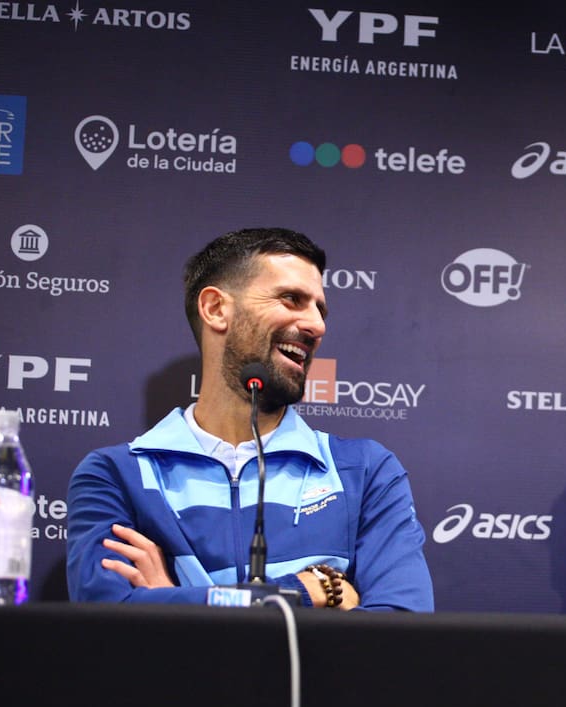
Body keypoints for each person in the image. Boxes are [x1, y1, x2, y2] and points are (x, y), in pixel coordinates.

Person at [67, 228, 434, 611]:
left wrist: (165, 603)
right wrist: (310, 591)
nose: (317, 326)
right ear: (215, 309)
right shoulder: (114, 474)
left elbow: (400, 624)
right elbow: (106, 621)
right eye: (292, 299)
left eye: (320, 309)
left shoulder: (366, 470)